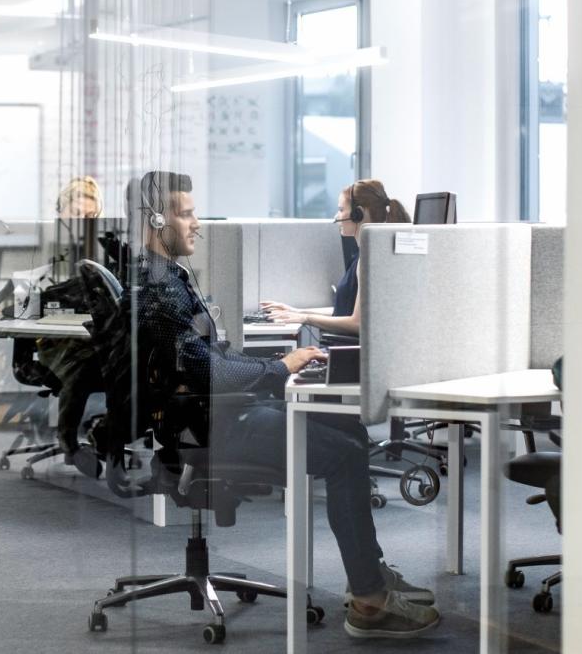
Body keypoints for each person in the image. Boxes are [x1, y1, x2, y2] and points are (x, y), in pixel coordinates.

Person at [124, 171, 440, 640]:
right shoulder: (157, 291)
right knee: (347, 454)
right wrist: (280, 367)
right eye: (186, 214)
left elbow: (208, 361)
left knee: (347, 430)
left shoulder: (167, 278)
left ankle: (368, 576)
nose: (196, 224)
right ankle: (371, 603)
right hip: (207, 428)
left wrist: (278, 366)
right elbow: (206, 374)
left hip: (209, 416)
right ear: (155, 221)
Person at [261, 179, 410, 335]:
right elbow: (344, 311)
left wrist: (305, 318)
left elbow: (358, 323)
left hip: (350, 356)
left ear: (357, 214)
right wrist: (297, 311)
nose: (336, 216)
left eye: (340, 209)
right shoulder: (364, 255)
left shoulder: (369, 260)